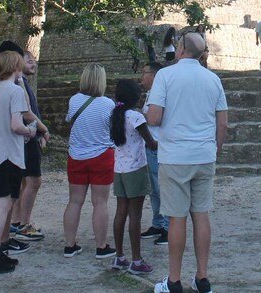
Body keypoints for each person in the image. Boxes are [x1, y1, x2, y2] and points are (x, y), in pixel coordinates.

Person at [146, 33, 228, 293]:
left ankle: (173, 281)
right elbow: (222, 122)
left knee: (177, 218)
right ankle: (203, 278)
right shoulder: (213, 79)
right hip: (204, 155)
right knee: (201, 214)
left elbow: (155, 118)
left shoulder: (166, 76)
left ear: (180, 49)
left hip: (175, 157)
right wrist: (214, 148)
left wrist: (146, 112)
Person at [0, 50, 35, 274]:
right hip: (9, 156)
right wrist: (30, 131)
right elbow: (15, 125)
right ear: (16, 67)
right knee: (4, 205)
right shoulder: (15, 91)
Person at [62, 63, 117, 260]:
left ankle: (69, 245)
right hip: (101, 155)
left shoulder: (74, 100)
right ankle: (101, 246)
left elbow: (70, 119)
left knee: (74, 201)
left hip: (77, 155)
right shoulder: (108, 104)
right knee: (100, 203)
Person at [110, 79, 158, 276]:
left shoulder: (115, 115)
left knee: (121, 212)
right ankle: (137, 260)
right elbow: (151, 143)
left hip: (119, 169)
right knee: (135, 215)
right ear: (136, 98)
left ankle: (119, 256)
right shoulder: (136, 117)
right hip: (136, 169)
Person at [11, 50, 51, 242]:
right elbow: (27, 113)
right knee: (34, 181)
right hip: (28, 136)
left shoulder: (21, 83)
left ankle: (16, 222)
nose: (34, 64)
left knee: (25, 182)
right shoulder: (19, 85)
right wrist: (43, 129)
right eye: (29, 61)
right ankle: (24, 224)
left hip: (26, 138)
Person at [139, 62, 169, 245]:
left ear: (155, 75)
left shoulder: (162, 94)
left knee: (162, 189)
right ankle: (157, 223)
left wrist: (137, 116)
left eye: (145, 73)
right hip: (149, 147)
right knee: (154, 190)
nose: (142, 77)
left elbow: (154, 119)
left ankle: (167, 226)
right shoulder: (151, 94)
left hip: (158, 146)